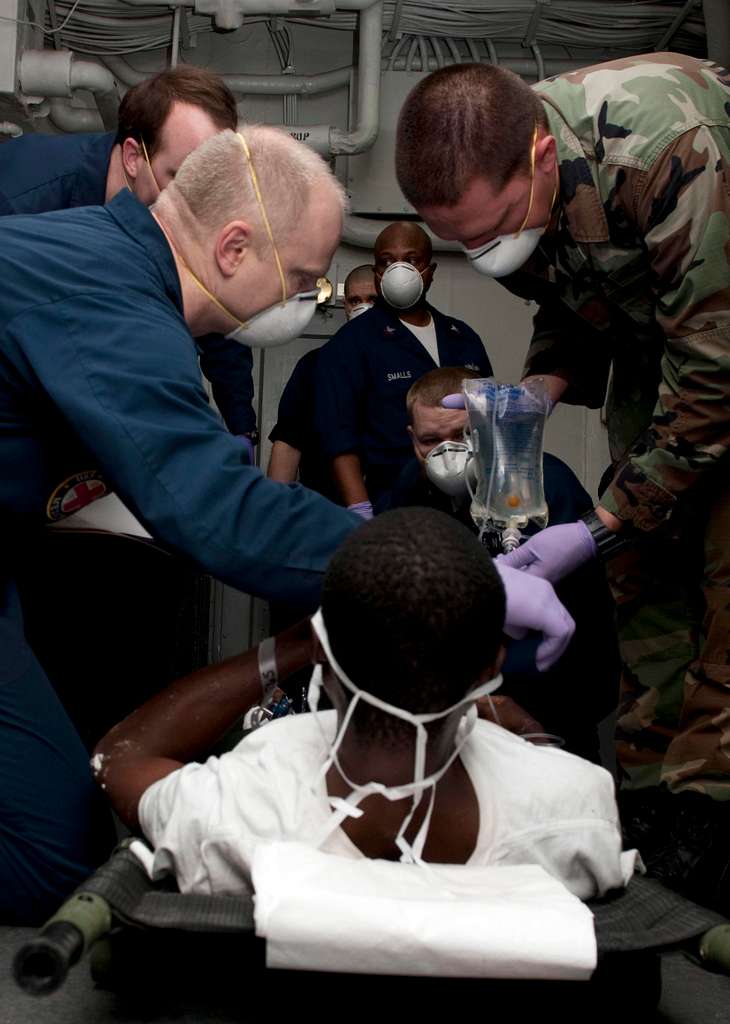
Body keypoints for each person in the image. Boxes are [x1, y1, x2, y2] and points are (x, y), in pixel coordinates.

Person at [0, 126, 573, 923]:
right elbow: (219, 511)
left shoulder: (106, 264)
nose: (312, 298)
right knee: (45, 848)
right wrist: (447, 578)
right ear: (234, 247)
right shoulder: (113, 300)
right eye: (304, 278)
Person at [395, 54, 730, 885]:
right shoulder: (519, 184)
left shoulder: (669, 149)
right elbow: (582, 302)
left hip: (719, 353)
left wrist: (600, 523)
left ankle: (710, 833)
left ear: (543, 156)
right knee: (645, 587)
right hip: (666, 359)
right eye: (462, 241)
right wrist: (535, 391)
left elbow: (717, 372)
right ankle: (650, 814)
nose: (485, 252)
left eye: (496, 226)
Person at [94, 508, 631, 901]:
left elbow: (122, 758)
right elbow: (549, 781)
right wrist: (525, 731)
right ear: (491, 667)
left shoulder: (235, 815)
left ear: (325, 655)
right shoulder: (576, 817)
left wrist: (295, 643)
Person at [0, 65, 257, 443]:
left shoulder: (183, 207)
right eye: (181, 178)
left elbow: (219, 320)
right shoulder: (22, 197)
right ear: (135, 157)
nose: (197, 205)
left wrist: (243, 430)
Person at [379, 367, 619, 762]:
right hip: (462, 699)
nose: (447, 453)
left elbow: (570, 621)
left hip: (553, 690)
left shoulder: (543, 485)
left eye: (462, 435)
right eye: (431, 441)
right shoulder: (411, 487)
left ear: (489, 429)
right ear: (412, 441)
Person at [316, 221, 492, 516]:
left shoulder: (463, 337)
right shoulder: (351, 343)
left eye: (411, 260)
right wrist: (360, 511)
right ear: (377, 273)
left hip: (473, 498)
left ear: (430, 271)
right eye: (387, 261)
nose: (399, 270)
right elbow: (338, 438)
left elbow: (490, 422)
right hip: (397, 498)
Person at [266, 266, 377, 497]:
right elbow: (288, 442)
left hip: (388, 506)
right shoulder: (315, 364)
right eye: (355, 300)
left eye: (372, 299)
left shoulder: (404, 361)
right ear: (345, 305)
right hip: (324, 504)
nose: (363, 307)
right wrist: (273, 515)